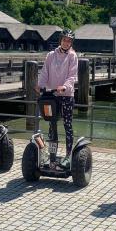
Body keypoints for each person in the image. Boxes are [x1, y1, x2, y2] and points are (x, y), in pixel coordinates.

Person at [37, 29, 78, 165]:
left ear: (71, 43)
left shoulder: (72, 56)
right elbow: (44, 72)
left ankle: (68, 155)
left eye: (69, 41)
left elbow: (72, 76)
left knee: (67, 125)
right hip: (52, 96)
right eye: (64, 40)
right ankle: (52, 155)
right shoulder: (51, 55)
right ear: (60, 40)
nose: (66, 43)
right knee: (51, 124)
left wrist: (65, 86)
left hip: (66, 95)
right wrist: (40, 85)